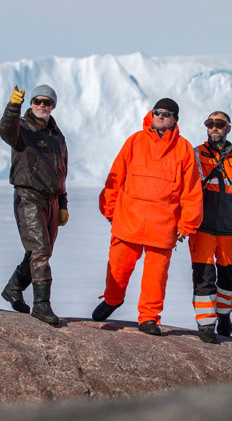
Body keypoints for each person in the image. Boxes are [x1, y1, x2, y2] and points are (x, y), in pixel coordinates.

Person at [91, 98, 203, 336]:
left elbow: (191, 190)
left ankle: (149, 317)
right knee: (117, 268)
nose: (160, 116)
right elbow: (116, 176)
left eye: (166, 113)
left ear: (175, 119)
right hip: (128, 219)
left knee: (156, 277)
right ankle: (112, 299)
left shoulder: (184, 148)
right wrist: (109, 208)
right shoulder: (134, 141)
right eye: (157, 112)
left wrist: (188, 223)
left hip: (163, 225)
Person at [0, 84, 68, 325]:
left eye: (46, 102)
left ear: (53, 106)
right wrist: (13, 105)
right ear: (31, 103)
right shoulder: (22, 129)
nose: (41, 105)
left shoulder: (57, 136)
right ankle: (41, 305)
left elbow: (62, 171)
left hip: (51, 199)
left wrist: (63, 203)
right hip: (28, 196)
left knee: (39, 251)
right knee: (40, 251)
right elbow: (5, 129)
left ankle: (13, 288)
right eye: (37, 101)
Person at [189, 111, 232, 343]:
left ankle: (224, 315)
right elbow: (186, 192)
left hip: (229, 231)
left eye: (219, 124)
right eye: (210, 123)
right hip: (203, 229)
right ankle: (206, 325)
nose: (214, 128)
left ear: (228, 128)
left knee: (229, 279)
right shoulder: (196, 155)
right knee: (204, 278)